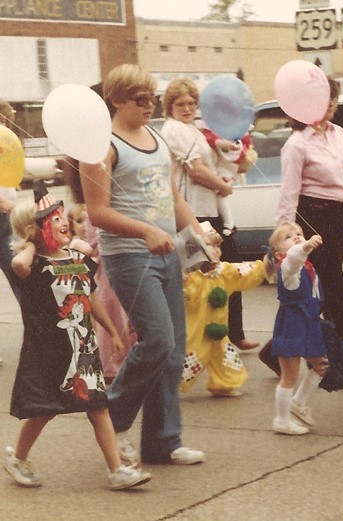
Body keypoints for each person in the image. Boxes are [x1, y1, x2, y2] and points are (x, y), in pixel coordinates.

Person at [81, 63, 207, 466]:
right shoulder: (101, 146)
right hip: (130, 256)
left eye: (153, 97)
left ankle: (163, 441)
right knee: (157, 341)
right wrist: (145, 231)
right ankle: (113, 421)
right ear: (117, 99)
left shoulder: (156, 137)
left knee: (172, 352)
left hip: (168, 252)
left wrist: (199, 240)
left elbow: (174, 198)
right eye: (141, 99)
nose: (150, 105)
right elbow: (97, 213)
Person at [3, 186, 152, 490]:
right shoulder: (32, 265)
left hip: (82, 348)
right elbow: (18, 264)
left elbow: (91, 297)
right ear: (34, 229)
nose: (63, 222)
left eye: (62, 216)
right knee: (44, 410)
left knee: (98, 406)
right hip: (49, 351)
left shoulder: (77, 259)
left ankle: (117, 471)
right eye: (53, 219)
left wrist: (111, 330)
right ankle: (17, 457)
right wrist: (32, 242)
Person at [159, 79, 256, 354]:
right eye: (180, 104)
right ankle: (202, 341)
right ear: (170, 107)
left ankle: (233, 333)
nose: (187, 108)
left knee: (228, 269)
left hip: (210, 209)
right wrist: (223, 186)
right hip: (192, 211)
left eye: (191, 103)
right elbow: (196, 170)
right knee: (199, 276)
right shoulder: (175, 130)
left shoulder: (194, 129)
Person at [275, 77, 343, 342]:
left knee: (322, 286)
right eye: (322, 98)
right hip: (313, 214)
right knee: (333, 282)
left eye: (333, 97)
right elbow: (289, 192)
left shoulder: (339, 134)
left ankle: (281, 349)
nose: (330, 104)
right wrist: (284, 235)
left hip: (338, 217)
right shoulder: (297, 143)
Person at [63, 160, 136, 382]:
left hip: (115, 270)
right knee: (114, 316)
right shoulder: (95, 215)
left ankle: (124, 360)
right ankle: (112, 364)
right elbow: (94, 248)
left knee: (123, 316)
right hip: (108, 275)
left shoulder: (99, 210)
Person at [179, 222, 268, 397]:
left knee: (226, 358)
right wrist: (183, 285)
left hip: (219, 332)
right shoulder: (191, 277)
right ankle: (167, 385)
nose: (216, 250)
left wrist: (265, 265)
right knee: (190, 359)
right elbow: (185, 297)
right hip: (196, 332)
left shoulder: (224, 271)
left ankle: (224, 384)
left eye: (218, 246)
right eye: (210, 246)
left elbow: (244, 272)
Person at [266, 222, 329, 435]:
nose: (296, 237)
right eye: (288, 237)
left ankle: (298, 403)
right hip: (292, 325)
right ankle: (281, 420)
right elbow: (294, 258)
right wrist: (306, 246)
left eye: (299, 233)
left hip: (309, 323)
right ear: (277, 254)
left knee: (321, 365)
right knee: (290, 376)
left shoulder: (307, 268)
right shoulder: (287, 268)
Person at [0, 99, 21, 367]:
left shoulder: (6, 147)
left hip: (6, 222)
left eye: (5, 121)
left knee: (21, 276)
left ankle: (38, 341)